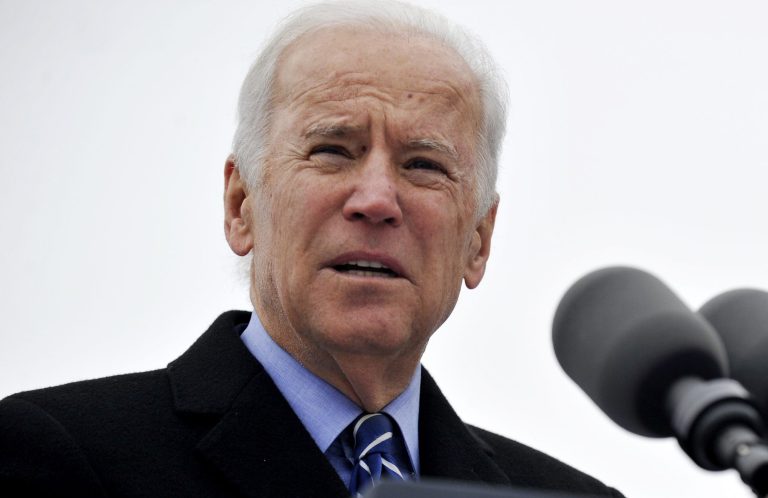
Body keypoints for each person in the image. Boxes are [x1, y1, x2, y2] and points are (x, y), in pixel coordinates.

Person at [0, 1, 622, 497]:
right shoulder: (59, 458)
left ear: (478, 242)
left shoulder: (567, 495)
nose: (377, 199)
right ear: (241, 206)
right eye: (332, 151)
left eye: (424, 164)